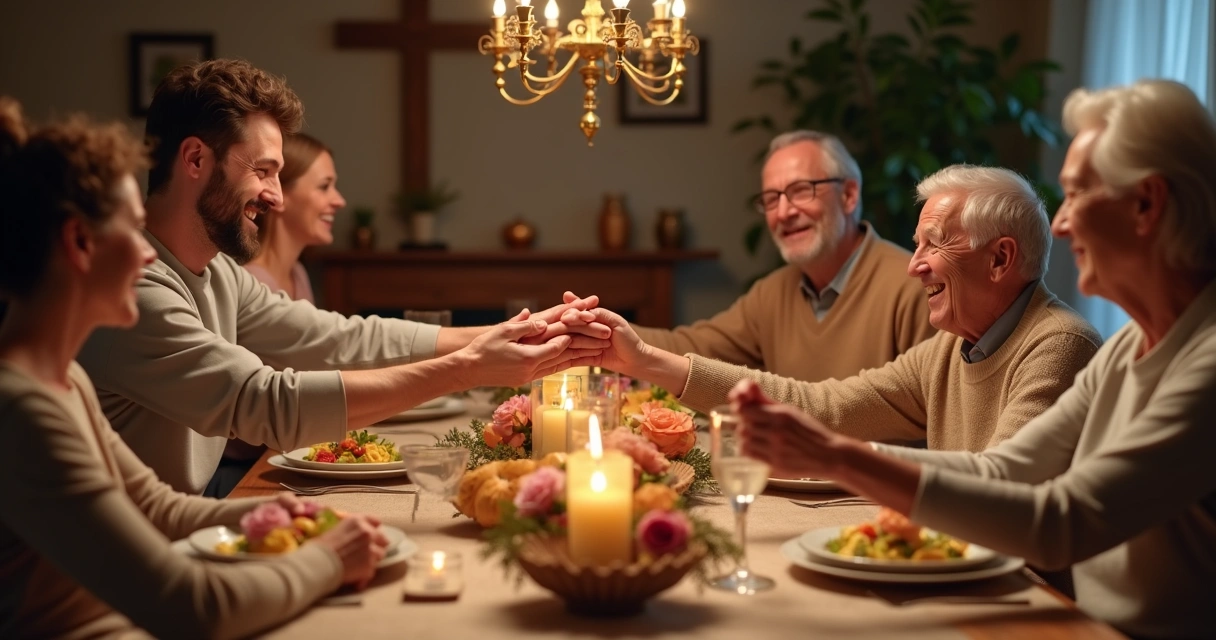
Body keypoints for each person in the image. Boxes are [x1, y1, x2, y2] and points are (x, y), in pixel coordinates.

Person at [731, 79, 1216, 638]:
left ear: (1147, 204)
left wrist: (839, 459)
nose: (1059, 223)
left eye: (1080, 193)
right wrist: (837, 453)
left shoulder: (1202, 359)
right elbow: (1001, 471)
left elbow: (1061, 521)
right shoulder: (1133, 344)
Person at [76, 59, 609, 496]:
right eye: (263, 171)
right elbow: (265, 404)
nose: (277, 197)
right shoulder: (133, 287)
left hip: (187, 519)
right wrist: (469, 369)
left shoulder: (218, 275)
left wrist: (508, 334)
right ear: (195, 159)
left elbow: (335, 337)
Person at [0, 97, 389, 639]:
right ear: (80, 243)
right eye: (131, 231)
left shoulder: (66, 381)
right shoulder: (22, 408)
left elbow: (161, 509)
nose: (145, 255)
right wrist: (329, 560)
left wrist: (283, 514)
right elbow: (194, 607)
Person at [576, 165, 1101, 451]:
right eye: (915, 245)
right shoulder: (949, 350)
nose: (914, 266)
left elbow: (1001, 487)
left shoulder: (1059, 345)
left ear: (1000, 259)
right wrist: (643, 359)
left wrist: (845, 458)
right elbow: (826, 405)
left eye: (933, 245)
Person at [627, 131, 937, 382]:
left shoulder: (912, 286)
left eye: (801, 190)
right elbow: (695, 348)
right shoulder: (773, 293)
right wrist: (603, 331)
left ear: (849, 195)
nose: (785, 212)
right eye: (772, 199)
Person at [244, 132, 341, 302]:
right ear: (278, 195)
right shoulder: (251, 284)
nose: (340, 201)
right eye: (324, 187)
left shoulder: (298, 274)